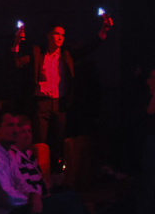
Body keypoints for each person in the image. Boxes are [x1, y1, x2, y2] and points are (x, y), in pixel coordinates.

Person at [14, 16, 111, 154]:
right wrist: (16, 43)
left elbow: (87, 49)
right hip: (42, 104)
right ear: (49, 35)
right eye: (57, 34)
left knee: (57, 144)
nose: (60, 37)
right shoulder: (38, 53)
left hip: (60, 105)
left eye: (62, 35)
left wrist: (103, 31)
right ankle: (39, 166)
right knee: (40, 143)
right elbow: (18, 63)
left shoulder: (66, 55)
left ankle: (56, 166)